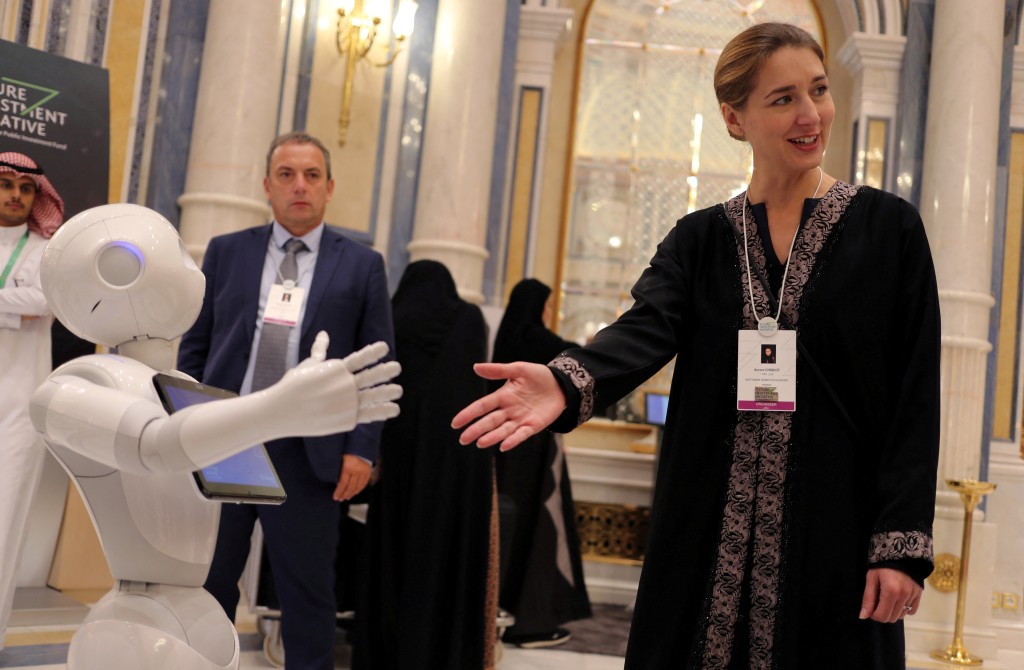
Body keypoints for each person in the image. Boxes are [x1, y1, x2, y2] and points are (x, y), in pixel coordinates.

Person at [453, 22, 940, 670]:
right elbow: (644, 327)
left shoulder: (890, 232)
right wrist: (566, 380)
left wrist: (897, 545)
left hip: (835, 540)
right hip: (706, 537)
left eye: (818, 91)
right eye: (783, 98)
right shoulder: (700, 239)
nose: (809, 115)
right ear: (734, 118)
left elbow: (915, 396)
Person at [177, 131, 395, 670]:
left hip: (310, 451)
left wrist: (362, 449)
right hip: (226, 438)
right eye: (287, 175)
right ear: (267, 186)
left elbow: (377, 366)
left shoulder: (362, 265)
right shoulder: (227, 252)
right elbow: (197, 347)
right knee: (207, 584)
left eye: (312, 176)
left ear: (329, 187)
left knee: (307, 592)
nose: (300, 186)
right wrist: (185, 429)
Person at [353, 259, 498, 670]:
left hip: (397, 460)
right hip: (458, 463)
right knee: (446, 557)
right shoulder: (469, 318)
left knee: (393, 555)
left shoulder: (393, 317)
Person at [491, 278, 591, 648]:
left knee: (507, 531)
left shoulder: (504, 339)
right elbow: (582, 362)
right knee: (542, 531)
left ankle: (500, 611)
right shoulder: (543, 340)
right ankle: (532, 621)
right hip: (535, 451)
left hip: (503, 450)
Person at [0, 152, 64, 650]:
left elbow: (46, 302)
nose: (16, 195)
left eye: (25, 187)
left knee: (3, 528)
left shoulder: (50, 252)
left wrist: (28, 303)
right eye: (5, 184)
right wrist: (13, 305)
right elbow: (24, 307)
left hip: (18, 410)